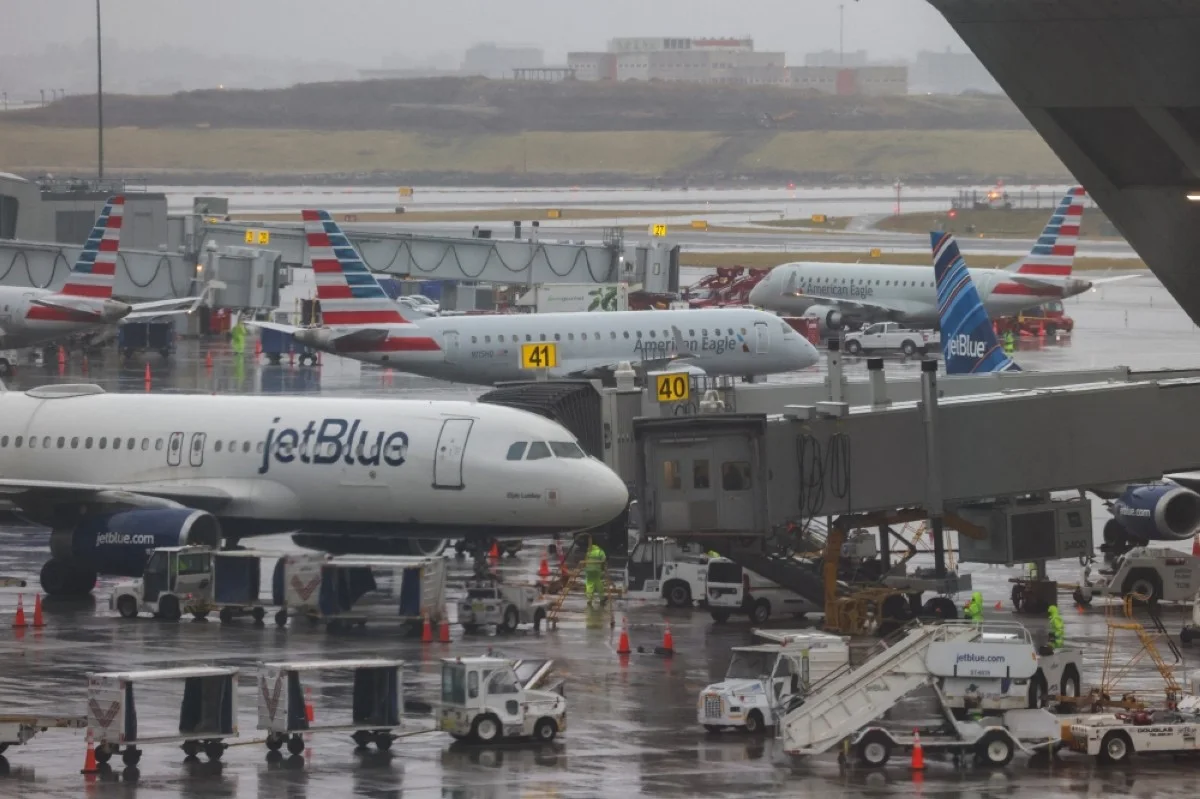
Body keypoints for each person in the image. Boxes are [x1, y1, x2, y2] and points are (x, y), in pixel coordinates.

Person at [585, 541, 607, 607]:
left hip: (589, 570)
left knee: (589, 584)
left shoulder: (589, 551)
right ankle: (602, 599)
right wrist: (603, 568)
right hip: (596, 570)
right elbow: (604, 559)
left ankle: (589, 599)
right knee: (598, 583)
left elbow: (586, 560)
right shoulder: (600, 551)